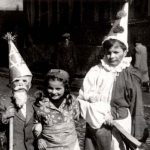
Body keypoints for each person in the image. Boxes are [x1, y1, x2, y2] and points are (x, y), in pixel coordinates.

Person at [77, 2, 148, 150]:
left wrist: (138, 131)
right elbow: (83, 97)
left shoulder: (130, 74)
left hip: (121, 122)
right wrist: (101, 114)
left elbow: (136, 105)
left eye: (116, 52)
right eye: (108, 52)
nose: (111, 56)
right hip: (98, 122)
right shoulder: (96, 71)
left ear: (125, 52)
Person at [0, 33, 35, 150]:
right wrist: (4, 116)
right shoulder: (4, 102)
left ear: (29, 85)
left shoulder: (34, 102)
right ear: (11, 85)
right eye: (17, 81)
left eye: (24, 81)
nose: (20, 83)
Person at [32, 69, 80, 150]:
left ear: (65, 88)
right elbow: (36, 123)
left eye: (58, 89)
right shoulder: (41, 104)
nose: (54, 92)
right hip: (49, 146)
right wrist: (39, 138)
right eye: (50, 88)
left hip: (71, 145)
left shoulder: (72, 101)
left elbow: (76, 118)